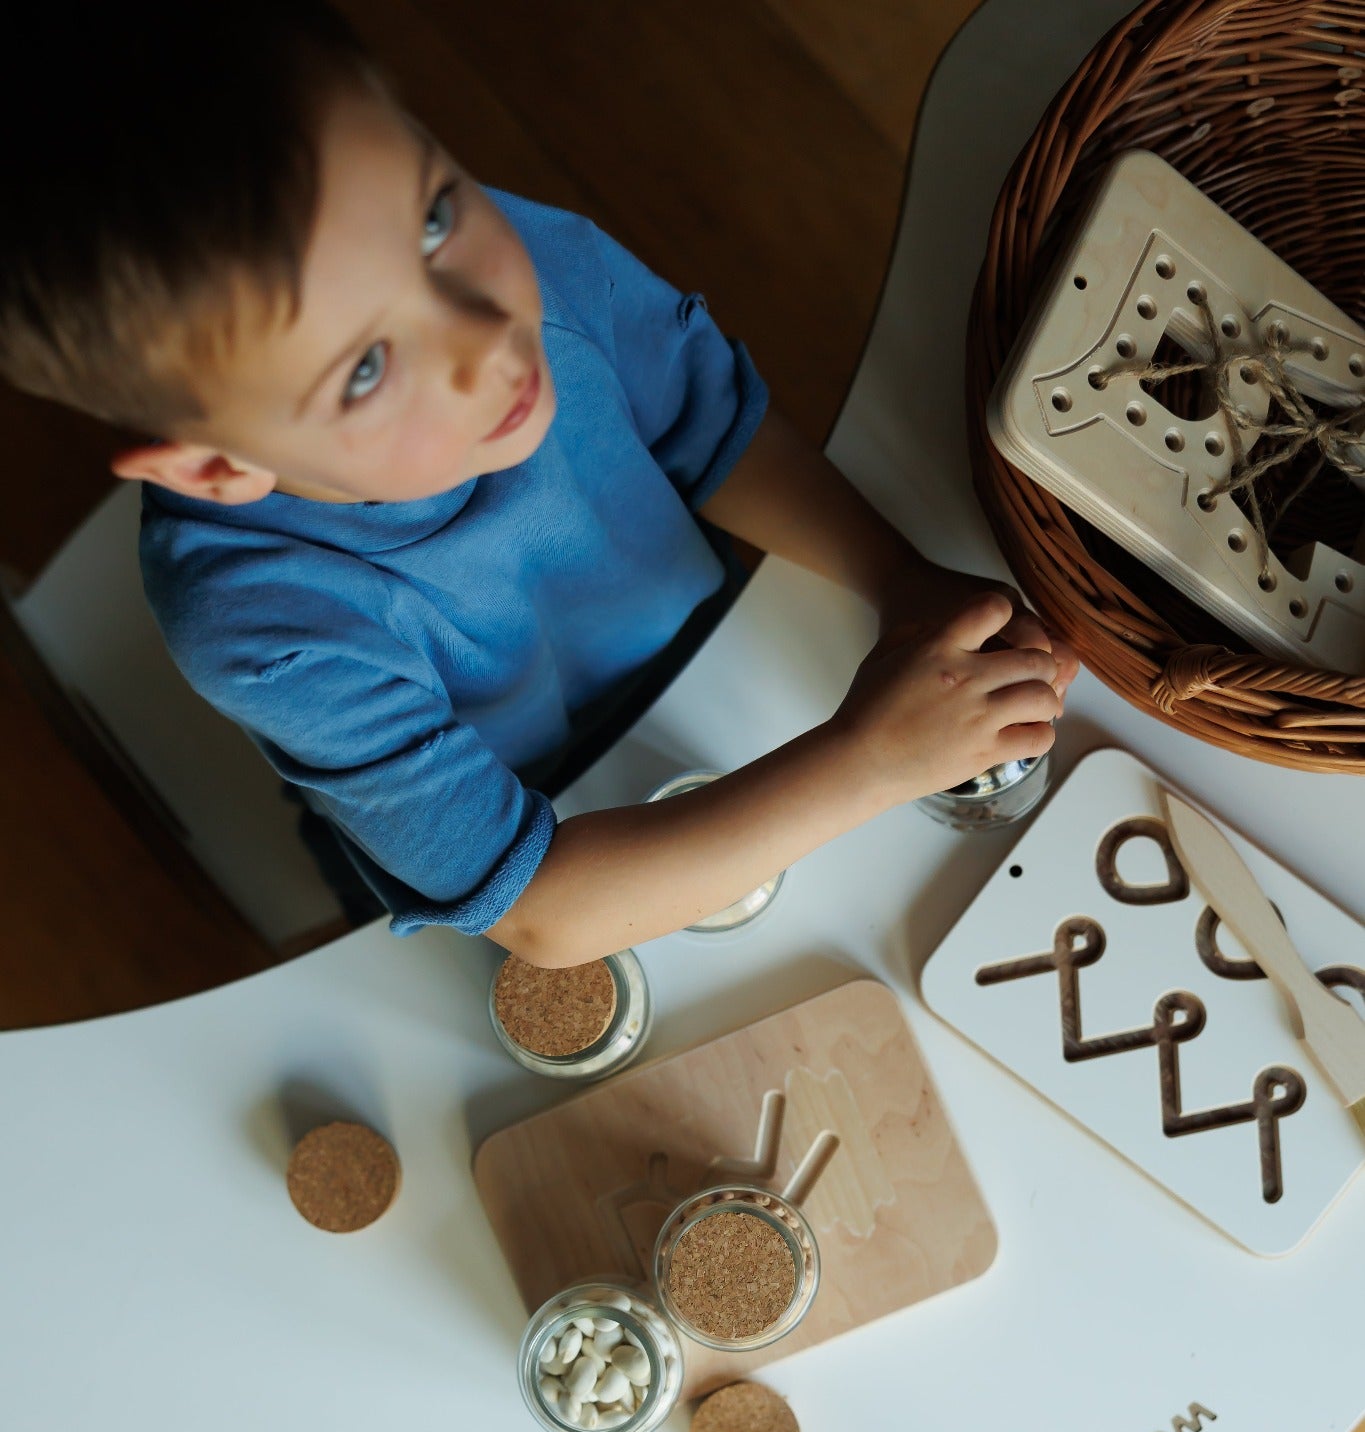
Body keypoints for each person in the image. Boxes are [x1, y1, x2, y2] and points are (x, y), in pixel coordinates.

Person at [0, 0, 1076, 966]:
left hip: (727, 679)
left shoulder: (529, 260)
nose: (485, 339)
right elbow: (542, 912)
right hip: (535, 835)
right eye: (366, 368)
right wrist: (871, 762)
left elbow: (708, 421)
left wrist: (895, 580)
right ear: (218, 468)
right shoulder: (257, 620)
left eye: (432, 219)